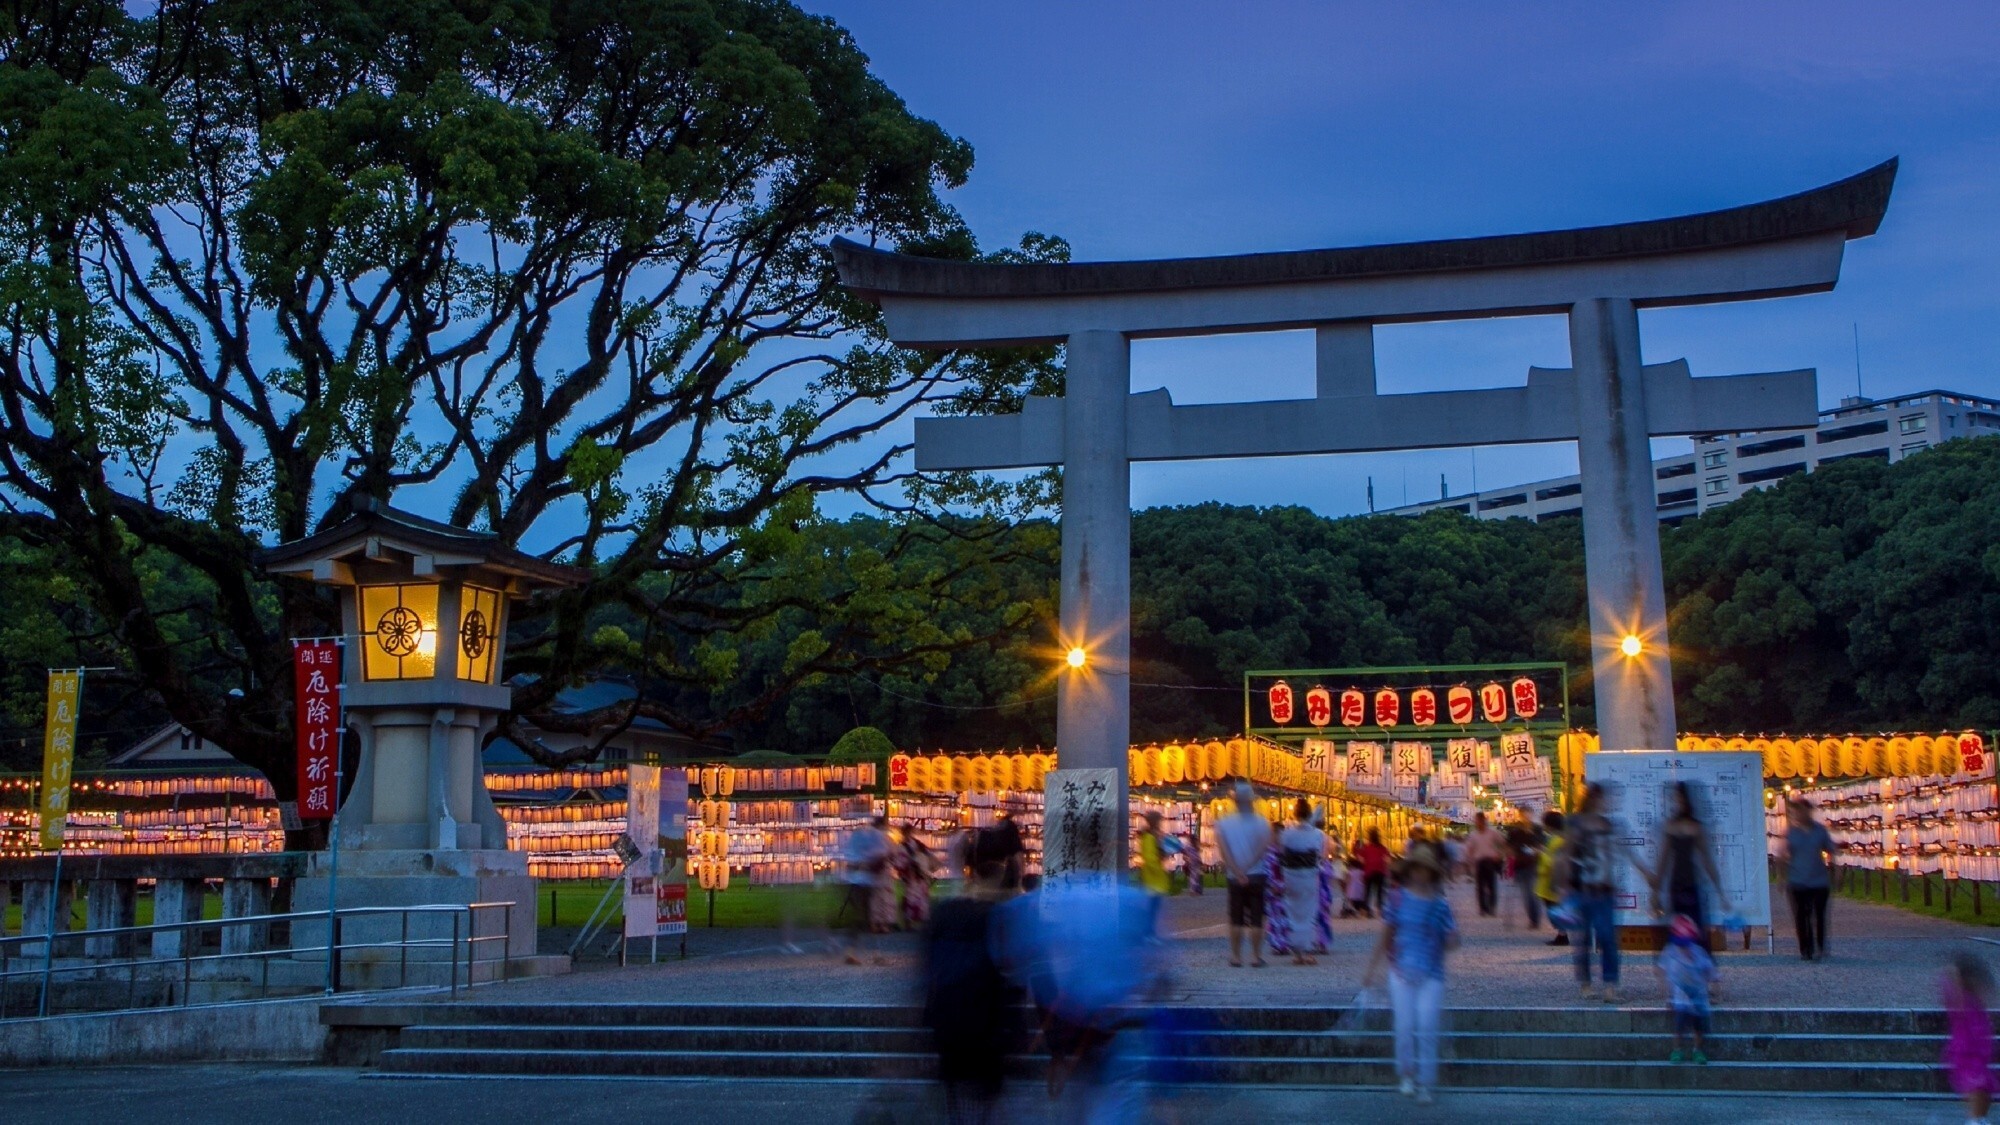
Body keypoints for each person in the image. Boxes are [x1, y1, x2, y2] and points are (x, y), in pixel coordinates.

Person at [921, 849, 1018, 1124]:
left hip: (948, 1014)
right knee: (984, 1092)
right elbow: (1006, 973)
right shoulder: (995, 917)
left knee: (956, 1091)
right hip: (984, 1017)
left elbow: (928, 967)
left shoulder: (944, 914)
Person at [1363, 842, 1458, 1105]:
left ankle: (1425, 1082)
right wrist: (1372, 969)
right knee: (1404, 1026)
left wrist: (1449, 936)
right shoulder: (1397, 899)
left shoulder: (1440, 905)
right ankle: (1407, 1074)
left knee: (1427, 1026)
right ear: (1411, 870)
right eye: (1416, 868)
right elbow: (1386, 935)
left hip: (1431, 972)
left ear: (1431, 873)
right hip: (1401, 970)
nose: (1420, 874)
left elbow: (1452, 940)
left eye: (1424, 869)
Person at [1556, 783, 1651, 1002]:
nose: (1606, 803)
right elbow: (1566, 854)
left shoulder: (1611, 825)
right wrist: (1563, 886)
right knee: (1583, 939)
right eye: (1602, 799)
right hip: (1582, 889)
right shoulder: (1577, 824)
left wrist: (1646, 873)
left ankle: (1609, 985)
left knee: (1608, 938)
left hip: (1604, 890)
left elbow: (1627, 852)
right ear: (1592, 800)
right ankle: (1587, 983)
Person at [1650, 781, 1732, 938]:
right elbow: (1663, 861)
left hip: (1692, 883)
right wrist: (1656, 891)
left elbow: (1707, 860)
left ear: (1685, 800)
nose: (1677, 803)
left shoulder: (1695, 827)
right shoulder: (1671, 826)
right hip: (1676, 884)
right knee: (1677, 929)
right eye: (1674, 799)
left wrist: (1720, 891)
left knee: (1695, 929)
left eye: (1679, 799)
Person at [1217, 782, 1274, 968]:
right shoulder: (1262, 822)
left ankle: (1236, 956)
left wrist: (1237, 870)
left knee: (1236, 918)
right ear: (1252, 800)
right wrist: (1248, 867)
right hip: (1257, 874)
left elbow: (1224, 852)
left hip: (1234, 877)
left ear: (1235, 801)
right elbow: (1263, 848)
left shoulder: (1224, 823)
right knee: (1257, 918)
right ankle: (1256, 956)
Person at [1779, 797, 1837, 961]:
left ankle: (1820, 946)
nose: (1797, 814)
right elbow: (1783, 855)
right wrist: (1782, 877)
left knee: (1819, 915)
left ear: (1808, 812)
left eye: (1800, 810)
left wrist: (1835, 869)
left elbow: (1830, 850)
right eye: (1795, 811)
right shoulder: (1790, 832)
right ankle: (1806, 948)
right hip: (1797, 881)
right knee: (1801, 915)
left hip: (1819, 880)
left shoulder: (1820, 830)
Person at [1272, 799, 1328, 965]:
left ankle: (1297, 952)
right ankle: (1306, 950)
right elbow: (1320, 854)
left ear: (1294, 814)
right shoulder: (1318, 834)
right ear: (1310, 814)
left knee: (1293, 911)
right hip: (1309, 874)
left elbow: (1282, 852)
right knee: (1308, 912)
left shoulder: (1287, 833)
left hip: (1291, 875)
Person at [1944, 953, 1997, 1125]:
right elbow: (1951, 987)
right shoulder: (1960, 1000)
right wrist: (1957, 975)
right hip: (1967, 1053)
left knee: (1984, 1089)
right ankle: (1974, 1120)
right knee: (1977, 1086)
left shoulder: (1974, 1001)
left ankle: (1979, 1118)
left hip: (1978, 1053)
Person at [1659, 913, 1718, 1064]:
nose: (1684, 948)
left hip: (1698, 997)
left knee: (1698, 1027)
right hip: (1680, 998)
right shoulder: (1671, 952)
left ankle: (1697, 1050)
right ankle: (1677, 1049)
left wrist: (1715, 990)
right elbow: (1662, 971)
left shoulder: (1699, 953)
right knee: (1679, 1026)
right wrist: (1667, 995)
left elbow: (1711, 972)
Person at [837, 816, 892, 964]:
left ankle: (860, 952)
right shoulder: (877, 837)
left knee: (862, 917)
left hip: (855, 881)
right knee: (864, 917)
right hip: (865, 882)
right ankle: (873, 954)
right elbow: (882, 856)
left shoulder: (858, 836)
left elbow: (851, 860)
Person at [1505, 810, 1546, 931]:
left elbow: (1542, 845)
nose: (1525, 817)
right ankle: (1533, 918)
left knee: (1531, 894)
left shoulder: (1537, 829)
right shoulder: (1515, 831)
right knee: (1526, 895)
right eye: (1523, 814)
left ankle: (1535, 919)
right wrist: (1511, 854)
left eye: (1527, 814)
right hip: (1520, 865)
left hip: (1533, 864)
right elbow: (1508, 846)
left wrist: (1535, 850)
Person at [1535, 810, 1569, 947]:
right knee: (1554, 906)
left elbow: (1555, 860)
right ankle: (1562, 934)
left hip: (1554, 879)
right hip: (1552, 878)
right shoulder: (1558, 838)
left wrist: (1542, 853)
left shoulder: (1558, 840)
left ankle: (1563, 935)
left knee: (1554, 907)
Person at [1466, 812, 1505, 917]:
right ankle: (1483, 908)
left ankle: (1492, 908)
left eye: (1478, 820)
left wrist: (1499, 855)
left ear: (1483, 820)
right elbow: (1469, 849)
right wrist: (1470, 862)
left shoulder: (1493, 833)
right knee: (1480, 887)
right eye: (1476, 821)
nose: (1477, 823)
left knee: (1492, 886)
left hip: (1490, 861)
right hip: (1479, 862)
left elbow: (1502, 844)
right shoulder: (1473, 834)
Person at [902, 833, 936, 928]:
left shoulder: (915, 857)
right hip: (922, 883)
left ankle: (908, 924)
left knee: (910, 903)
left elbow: (911, 869)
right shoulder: (925, 857)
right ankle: (922, 924)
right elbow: (932, 868)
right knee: (922, 904)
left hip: (914, 883)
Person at [1355, 829, 1392, 918]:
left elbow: (1360, 858)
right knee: (1379, 892)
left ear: (1370, 838)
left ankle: (1365, 912)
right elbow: (1388, 860)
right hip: (1380, 871)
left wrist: (1367, 862)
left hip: (1369, 871)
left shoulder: (1367, 848)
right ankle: (1380, 911)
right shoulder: (1382, 848)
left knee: (1367, 893)